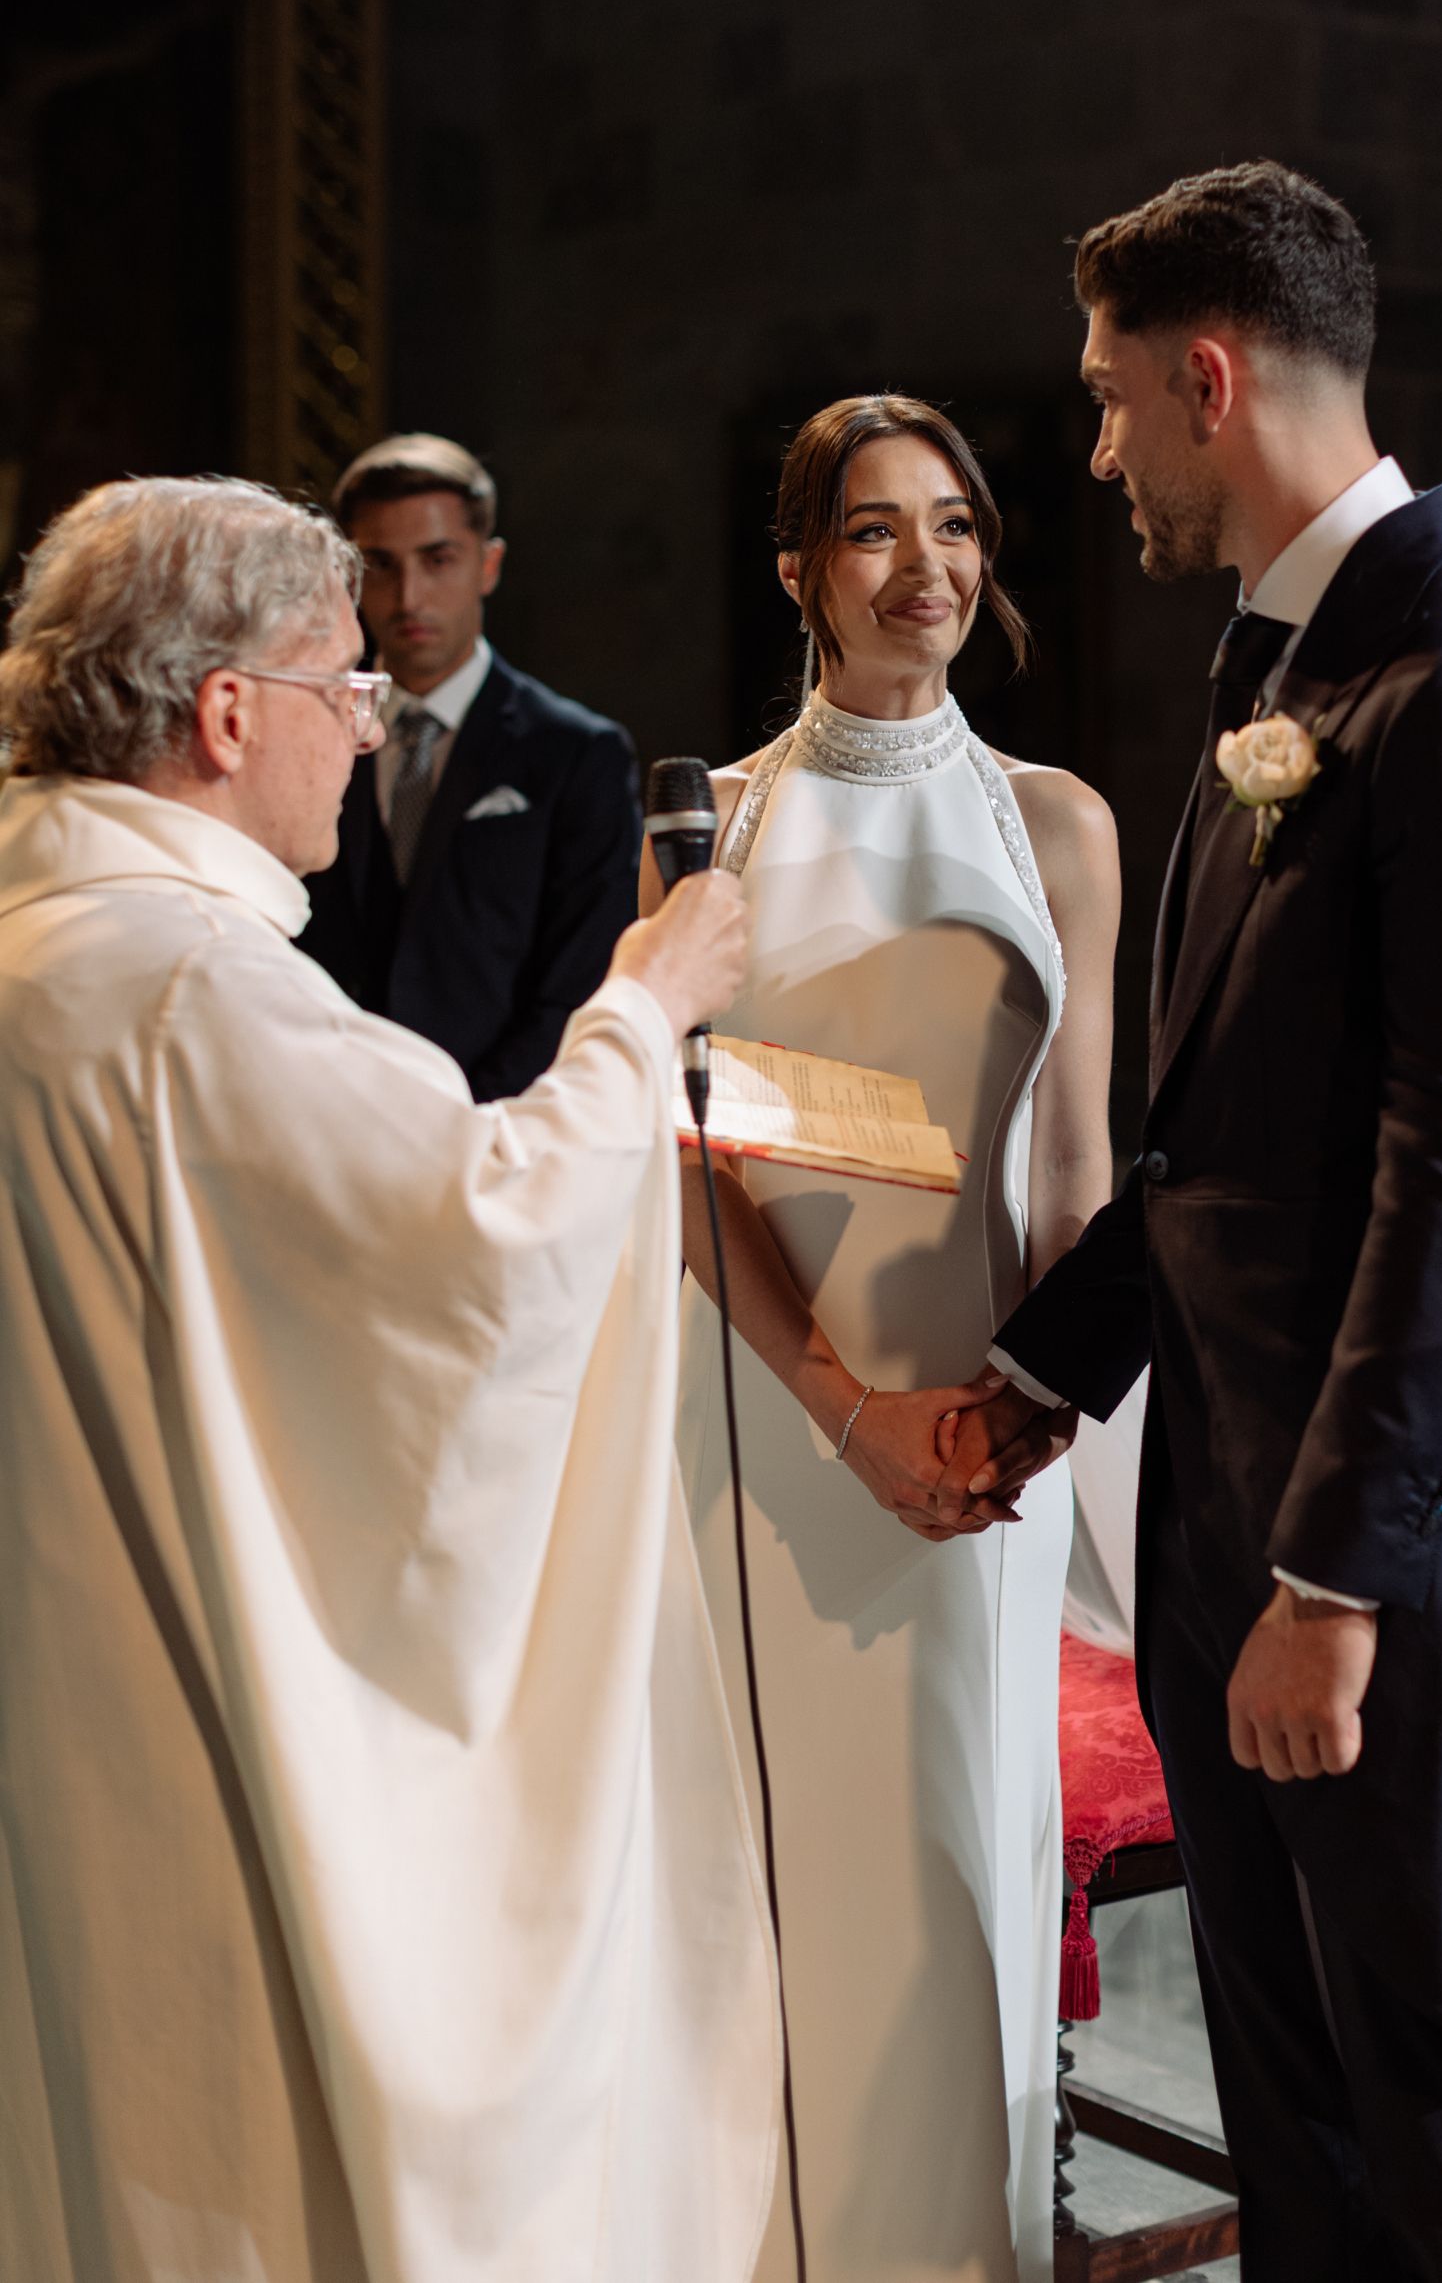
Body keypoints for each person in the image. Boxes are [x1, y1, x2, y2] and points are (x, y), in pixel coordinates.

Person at [939, 163, 1442, 2282]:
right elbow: (1217, 1149)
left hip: (1409, 1577)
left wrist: (1335, 1582)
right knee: (1304, 2160)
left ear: (1209, 380)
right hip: (1235, 1536)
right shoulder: (1300, 666)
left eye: (1106, 401)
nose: (1097, 455)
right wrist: (1036, 1378)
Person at [0, 476, 777, 2283]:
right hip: (195, 1717)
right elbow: (480, 1238)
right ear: (225, 713)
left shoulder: (45, 947)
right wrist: (643, 1008)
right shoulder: (189, 990)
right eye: (343, 684)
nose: (367, 728)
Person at [647, 396, 1119, 2283]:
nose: (925, 564)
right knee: (775, 1880)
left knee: (949, 1874)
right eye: (872, 528)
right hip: (768, 1415)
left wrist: (1033, 1404)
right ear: (799, 572)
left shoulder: (1057, 823)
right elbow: (685, 1162)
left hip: (984, 1426)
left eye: (957, 525)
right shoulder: (714, 827)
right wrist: (840, 1410)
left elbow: (1074, 1162)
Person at [300, 431, 640, 1098]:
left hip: (498, 1121)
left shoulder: (576, 752)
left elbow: (581, 980)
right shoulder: (305, 730)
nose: (409, 597)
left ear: (488, 565)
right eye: (380, 563)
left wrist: (469, 1123)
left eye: (438, 560)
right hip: (324, 1108)